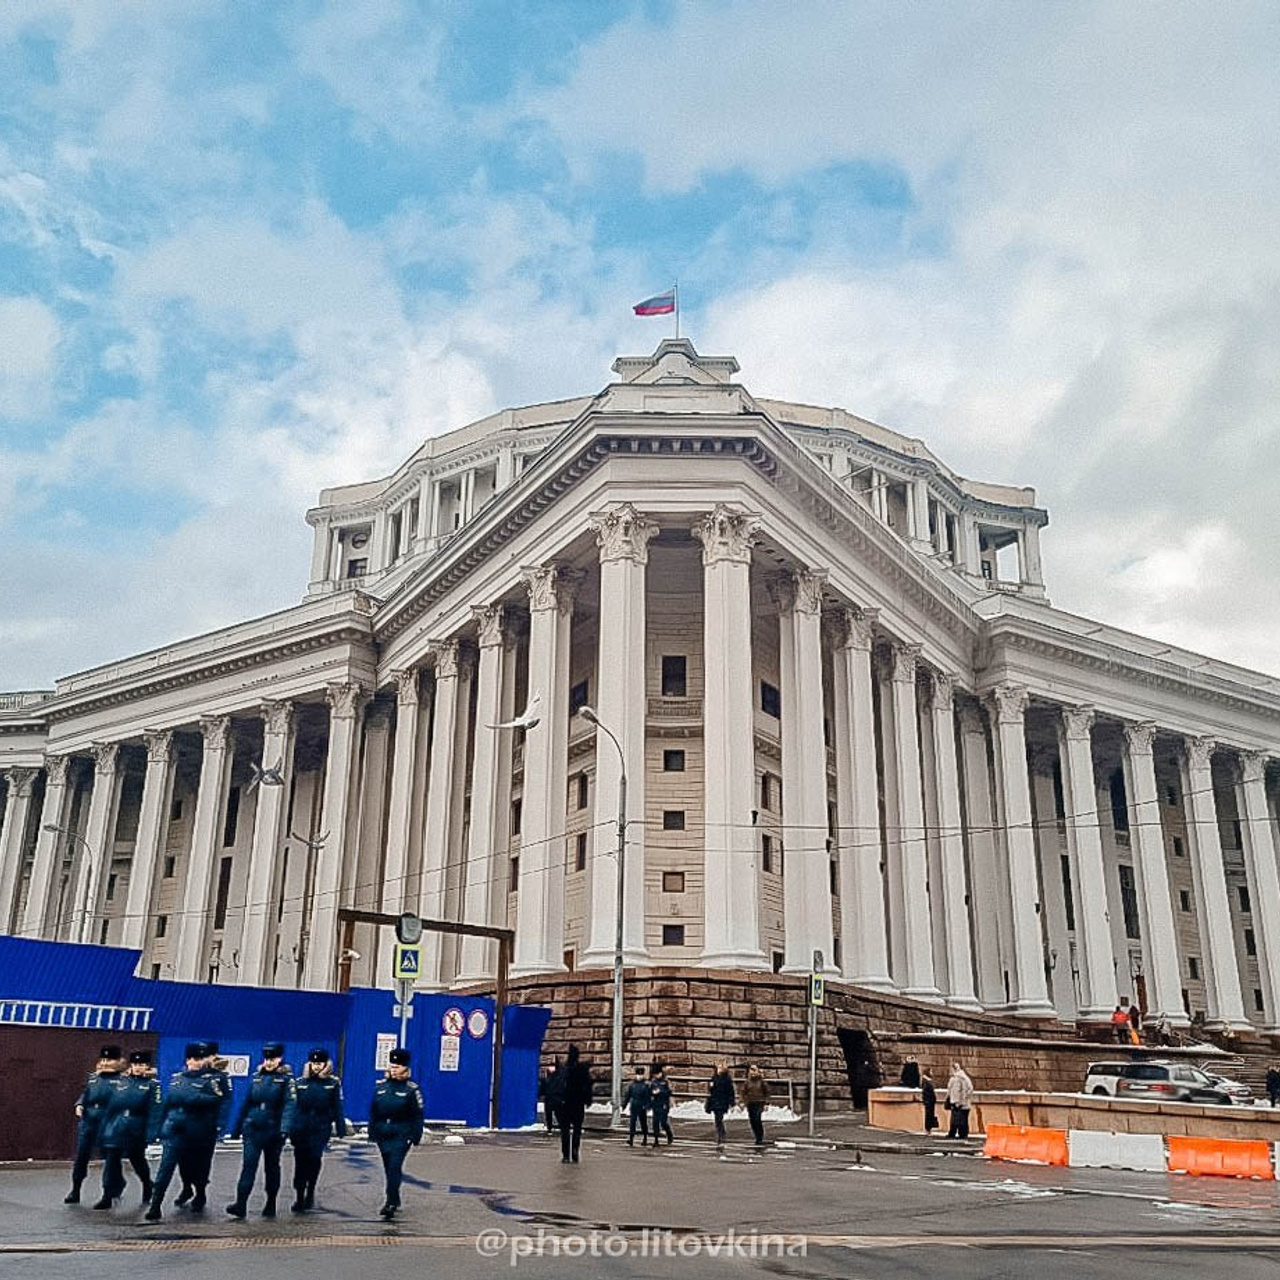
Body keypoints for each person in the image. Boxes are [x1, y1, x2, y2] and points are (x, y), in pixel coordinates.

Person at [145, 1042, 228, 1221]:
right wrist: (159, 1127)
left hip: (199, 1130)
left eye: (198, 1059)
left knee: (198, 1166)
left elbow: (217, 1100)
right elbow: (167, 1103)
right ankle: (155, 1205)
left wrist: (194, 1099)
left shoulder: (211, 1080)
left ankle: (199, 1193)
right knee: (166, 1168)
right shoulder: (177, 1078)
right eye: (192, 1059)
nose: (195, 1063)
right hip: (175, 1129)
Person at [226, 1042, 296, 1219]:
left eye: (273, 1059)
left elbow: (290, 1104)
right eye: (267, 1058)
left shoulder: (286, 1080)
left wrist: (284, 1128)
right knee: (248, 1166)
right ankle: (241, 1203)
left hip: (273, 1130)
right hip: (253, 1127)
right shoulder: (257, 1077)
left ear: (279, 1059)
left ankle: (271, 1202)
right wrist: (236, 1128)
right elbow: (246, 1103)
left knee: (271, 1167)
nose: (269, 1062)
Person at [94, 1050, 160, 1210]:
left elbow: (155, 1111)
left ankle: (147, 1184)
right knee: (111, 1161)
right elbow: (110, 1108)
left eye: (142, 1065)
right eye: (136, 1064)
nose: (138, 1068)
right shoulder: (121, 1082)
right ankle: (107, 1194)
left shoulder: (152, 1085)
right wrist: (103, 1129)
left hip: (136, 1126)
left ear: (147, 1066)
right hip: (116, 1126)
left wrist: (151, 1134)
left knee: (137, 1160)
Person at [66, 1044, 127, 1204]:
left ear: (119, 1062)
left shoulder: (122, 1080)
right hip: (89, 1122)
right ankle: (75, 1190)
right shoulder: (94, 1077)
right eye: (104, 1059)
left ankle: (109, 1192)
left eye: (110, 1060)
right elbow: (86, 1094)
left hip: (109, 1123)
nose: (106, 1063)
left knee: (110, 1158)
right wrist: (79, 1104)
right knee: (82, 1156)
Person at [288, 1047, 347, 1212]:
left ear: (325, 1064)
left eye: (319, 1063)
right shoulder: (300, 1083)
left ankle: (310, 1191)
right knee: (300, 1162)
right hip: (301, 1128)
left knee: (314, 1159)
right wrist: (289, 1127)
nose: (316, 1066)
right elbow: (293, 1107)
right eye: (313, 1063)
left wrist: (341, 1128)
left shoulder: (332, 1084)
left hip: (320, 1128)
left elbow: (337, 1107)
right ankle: (299, 1195)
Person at [368, 1047, 424, 1219]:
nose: (394, 1068)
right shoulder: (381, 1087)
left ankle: (390, 1202)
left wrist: (414, 1136)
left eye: (398, 1066)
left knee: (394, 1167)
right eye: (392, 1065)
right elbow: (374, 1111)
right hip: (383, 1134)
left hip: (402, 1133)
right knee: (388, 1167)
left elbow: (418, 1115)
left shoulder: (411, 1090)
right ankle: (395, 1196)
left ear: (405, 1068)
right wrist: (373, 1133)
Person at [558, 1044, 593, 1163]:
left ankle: (566, 1155)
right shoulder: (582, 1070)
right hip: (578, 1104)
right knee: (577, 1130)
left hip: (565, 1103)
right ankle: (575, 1152)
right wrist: (588, 1100)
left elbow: (559, 1086)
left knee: (565, 1131)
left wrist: (559, 1100)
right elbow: (588, 1086)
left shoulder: (564, 1069)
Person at [706, 1060, 735, 1147]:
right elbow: (711, 1090)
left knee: (719, 1118)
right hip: (715, 1101)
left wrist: (731, 1103)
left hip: (722, 1101)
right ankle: (721, 1133)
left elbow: (730, 1091)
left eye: (720, 1067)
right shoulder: (714, 1077)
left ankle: (720, 1134)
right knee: (717, 1119)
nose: (718, 1069)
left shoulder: (726, 1079)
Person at [741, 1064, 770, 1147]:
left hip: (759, 1102)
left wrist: (766, 1103)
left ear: (757, 1071)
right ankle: (757, 1136)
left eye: (754, 1070)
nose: (752, 1072)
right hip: (750, 1103)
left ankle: (759, 1137)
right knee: (752, 1120)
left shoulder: (762, 1081)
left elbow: (767, 1092)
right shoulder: (747, 1082)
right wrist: (743, 1101)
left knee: (757, 1119)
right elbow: (743, 1092)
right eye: (751, 1070)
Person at [945, 1062, 974, 1140]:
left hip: (960, 1103)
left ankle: (961, 1134)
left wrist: (961, 1101)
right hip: (957, 1102)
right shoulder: (956, 1078)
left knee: (961, 1120)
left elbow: (964, 1091)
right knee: (956, 1120)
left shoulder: (961, 1078)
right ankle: (955, 1133)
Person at [625, 1066, 651, 1146]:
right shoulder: (632, 1085)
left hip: (642, 1106)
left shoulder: (646, 1085)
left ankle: (645, 1138)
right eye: (638, 1074)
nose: (639, 1076)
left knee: (643, 1122)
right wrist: (624, 1104)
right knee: (632, 1122)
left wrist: (647, 1106)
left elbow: (648, 1097)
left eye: (641, 1074)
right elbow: (628, 1095)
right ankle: (631, 1138)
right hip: (634, 1105)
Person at [649, 1065, 674, 1145]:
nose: (655, 1076)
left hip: (664, 1104)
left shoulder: (666, 1081)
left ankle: (669, 1133)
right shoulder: (653, 1082)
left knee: (663, 1122)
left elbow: (669, 1092)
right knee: (655, 1122)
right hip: (656, 1104)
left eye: (657, 1074)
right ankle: (656, 1140)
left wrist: (661, 1092)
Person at [540, 1059, 563, 1133]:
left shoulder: (558, 1076)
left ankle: (561, 1126)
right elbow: (543, 1087)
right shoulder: (547, 1077)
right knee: (549, 1114)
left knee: (558, 1113)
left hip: (555, 1098)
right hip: (550, 1098)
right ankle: (550, 1127)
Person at [921, 1069, 939, 1133]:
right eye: (931, 1071)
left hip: (930, 1101)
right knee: (928, 1115)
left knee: (930, 1114)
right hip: (929, 1101)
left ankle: (929, 1128)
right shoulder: (926, 1081)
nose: (932, 1073)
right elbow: (926, 1092)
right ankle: (928, 1128)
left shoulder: (928, 1081)